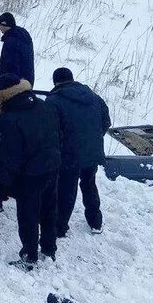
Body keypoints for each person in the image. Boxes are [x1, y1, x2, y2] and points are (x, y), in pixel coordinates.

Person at [0, 74, 61, 270]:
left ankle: (29, 255)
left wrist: (3, 184)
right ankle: (49, 248)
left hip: (29, 174)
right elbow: (57, 134)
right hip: (52, 165)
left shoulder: (9, 118)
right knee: (48, 209)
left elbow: (11, 156)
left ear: (4, 93)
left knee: (28, 215)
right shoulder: (44, 106)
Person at [45, 67, 111, 237]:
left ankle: (60, 227)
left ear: (56, 82)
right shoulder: (94, 97)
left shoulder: (54, 101)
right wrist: (94, 139)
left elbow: (50, 130)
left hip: (68, 154)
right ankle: (95, 222)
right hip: (92, 152)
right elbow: (106, 121)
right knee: (89, 185)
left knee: (67, 190)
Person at [0, 13, 35, 85]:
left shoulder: (11, 41)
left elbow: (11, 64)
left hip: (15, 84)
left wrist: (6, 81)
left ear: (5, 24)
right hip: (27, 81)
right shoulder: (23, 34)